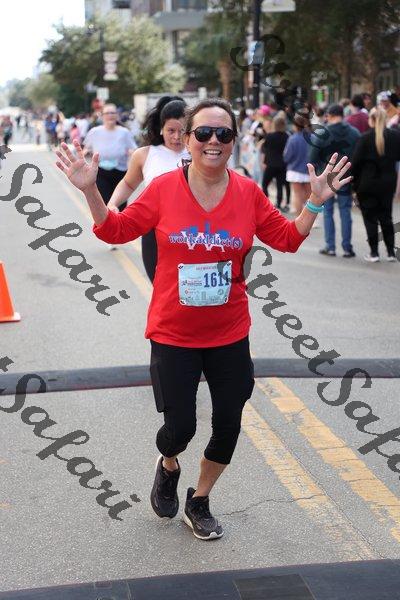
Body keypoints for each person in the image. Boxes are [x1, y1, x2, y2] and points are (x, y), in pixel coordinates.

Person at [55, 97, 352, 541]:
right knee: (180, 428)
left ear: (233, 141)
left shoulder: (247, 193)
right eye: (204, 133)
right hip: (173, 331)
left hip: (229, 332)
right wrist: (90, 191)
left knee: (228, 424)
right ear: (188, 139)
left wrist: (314, 203)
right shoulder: (162, 190)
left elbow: (287, 239)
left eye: (224, 133)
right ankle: (168, 464)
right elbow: (114, 230)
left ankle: (200, 500)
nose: (214, 141)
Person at [107, 97, 189, 281]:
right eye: (171, 130)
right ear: (161, 128)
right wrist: (112, 204)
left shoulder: (199, 154)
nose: (177, 137)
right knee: (159, 284)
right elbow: (128, 183)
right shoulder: (145, 154)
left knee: (191, 287)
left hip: (193, 232)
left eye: (182, 130)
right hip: (154, 230)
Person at [309, 103, 360, 257]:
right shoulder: (354, 133)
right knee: (345, 211)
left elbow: (312, 156)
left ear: (329, 116)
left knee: (328, 211)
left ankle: (330, 246)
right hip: (346, 175)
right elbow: (360, 156)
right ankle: (347, 247)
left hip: (327, 176)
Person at [352, 107, 400, 262]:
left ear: (371, 119)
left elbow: (355, 164)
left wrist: (353, 186)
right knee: (386, 217)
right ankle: (391, 252)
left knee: (370, 218)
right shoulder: (395, 136)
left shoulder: (365, 138)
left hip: (367, 183)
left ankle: (374, 253)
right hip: (388, 183)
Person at [82, 103, 136, 213]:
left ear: (117, 115)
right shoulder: (95, 132)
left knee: (120, 204)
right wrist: (83, 156)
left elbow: (133, 149)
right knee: (104, 203)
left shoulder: (124, 132)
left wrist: (132, 155)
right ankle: (107, 223)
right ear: (102, 116)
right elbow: (86, 148)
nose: (110, 115)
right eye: (107, 113)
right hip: (101, 172)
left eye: (113, 113)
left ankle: (120, 223)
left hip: (120, 171)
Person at [261, 115, 290, 211]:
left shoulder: (270, 136)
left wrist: (264, 162)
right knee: (279, 185)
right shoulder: (287, 136)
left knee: (265, 184)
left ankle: (266, 202)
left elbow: (265, 150)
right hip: (282, 164)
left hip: (270, 163)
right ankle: (278, 203)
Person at [283, 117, 311, 215]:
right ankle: (309, 218)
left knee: (298, 195)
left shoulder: (292, 139)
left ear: (295, 126)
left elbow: (287, 156)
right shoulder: (312, 137)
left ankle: (299, 219)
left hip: (294, 170)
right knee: (309, 195)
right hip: (309, 169)